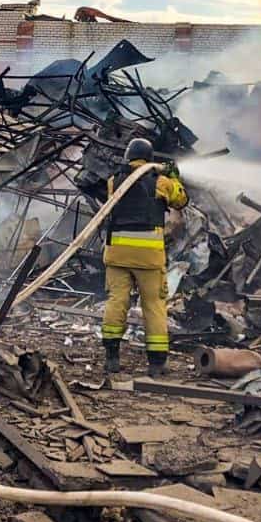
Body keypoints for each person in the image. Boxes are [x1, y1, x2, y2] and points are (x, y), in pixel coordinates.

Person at [101, 137, 188, 377]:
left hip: (117, 254)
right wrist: (174, 177)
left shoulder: (113, 181)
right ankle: (157, 364)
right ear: (150, 158)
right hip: (148, 257)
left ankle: (111, 358)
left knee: (116, 301)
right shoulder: (161, 182)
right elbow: (181, 200)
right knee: (154, 306)